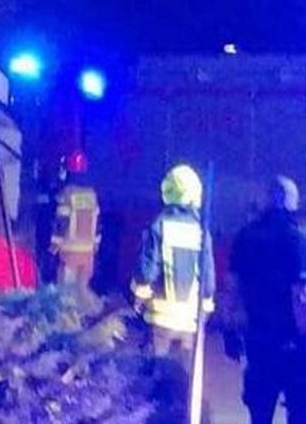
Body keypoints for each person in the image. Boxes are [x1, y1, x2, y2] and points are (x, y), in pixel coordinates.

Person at [224, 176, 306, 424]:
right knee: (299, 411)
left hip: (256, 339)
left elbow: (232, 289)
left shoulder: (244, 237)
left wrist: (230, 330)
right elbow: (300, 295)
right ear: (292, 203)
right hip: (291, 341)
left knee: (259, 413)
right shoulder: (297, 240)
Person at [131, 163, 215, 369]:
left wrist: (138, 300)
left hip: (160, 318)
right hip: (190, 320)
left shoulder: (158, 225)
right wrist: (205, 309)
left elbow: (146, 272)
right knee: (184, 376)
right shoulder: (201, 231)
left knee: (155, 374)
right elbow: (208, 279)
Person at [50, 150, 100, 293]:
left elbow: (61, 223)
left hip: (69, 251)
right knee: (82, 293)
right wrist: (95, 245)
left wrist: (54, 245)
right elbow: (98, 225)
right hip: (88, 253)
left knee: (66, 296)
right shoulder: (92, 194)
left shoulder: (67, 194)